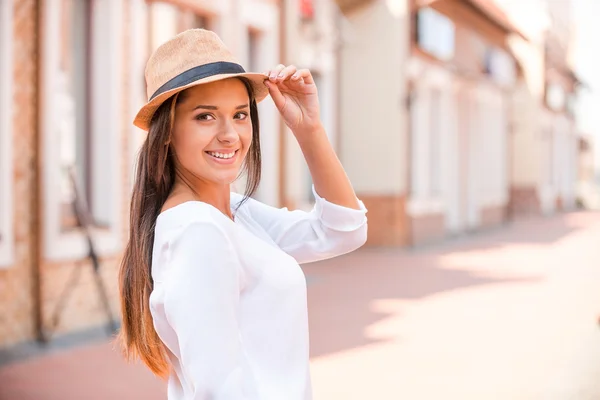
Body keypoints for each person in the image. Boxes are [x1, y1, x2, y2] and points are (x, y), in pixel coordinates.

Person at [118, 28, 368, 400]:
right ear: (167, 131)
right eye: (205, 117)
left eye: (239, 114)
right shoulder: (198, 231)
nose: (230, 134)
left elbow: (343, 229)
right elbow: (221, 389)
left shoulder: (233, 213)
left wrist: (308, 128)